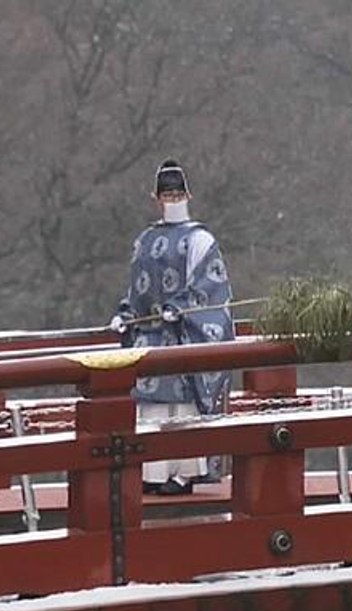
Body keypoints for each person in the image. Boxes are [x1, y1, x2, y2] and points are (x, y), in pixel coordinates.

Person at [109, 159, 235, 495]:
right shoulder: (144, 241)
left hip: (182, 335)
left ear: (188, 194)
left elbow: (210, 290)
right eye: (167, 193)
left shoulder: (201, 240)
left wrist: (180, 309)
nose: (173, 198)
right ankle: (152, 473)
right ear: (156, 197)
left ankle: (184, 472)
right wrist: (125, 314)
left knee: (183, 410)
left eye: (178, 192)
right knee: (150, 410)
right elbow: (136, 290)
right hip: (149, 336)